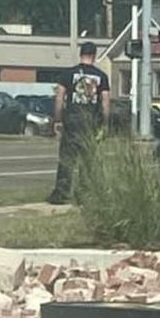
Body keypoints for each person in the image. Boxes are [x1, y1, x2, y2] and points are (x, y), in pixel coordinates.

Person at [47, 42, 111, 205]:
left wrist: (58, 119)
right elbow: (105, 102)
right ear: (94, 56)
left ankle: (61, 193)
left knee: (67, 159)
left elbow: (60, 98)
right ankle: (85, 194)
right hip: (91, 123)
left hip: (72, 122)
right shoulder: (101, 76)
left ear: (81, 54)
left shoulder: (68, 74)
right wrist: (105, 123)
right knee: (88, 161)